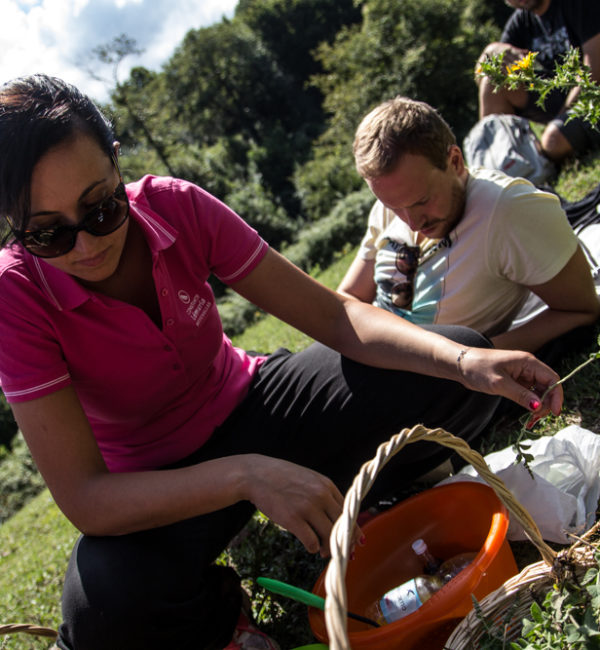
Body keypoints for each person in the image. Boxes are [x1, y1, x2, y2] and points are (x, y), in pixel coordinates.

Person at [0, 75, 563, 650]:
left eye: (101, 207)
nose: (87, 246)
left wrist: (466, 359)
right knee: (101, 609)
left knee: (445, 370)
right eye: (48, 234)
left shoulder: (175, 206)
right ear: (16, 228)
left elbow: (335, 317)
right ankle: (224, 618)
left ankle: (360, 498)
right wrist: (245, 474)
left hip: (251, 401)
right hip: (155, 481)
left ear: (117, 163)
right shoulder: (14, 295)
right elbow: (87, 498)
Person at [338, 96, 600, 354]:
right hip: (374, 357)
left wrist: (471, 362)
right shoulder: (391, 203)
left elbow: (580, 310)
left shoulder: (509, 211)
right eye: (393, 207)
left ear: (454, 161)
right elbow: (350, 298)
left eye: (422, 201)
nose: (412, 223)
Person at [476, 0, 600, 162]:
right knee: (492, 82)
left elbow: (594, 70)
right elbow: (481, 78)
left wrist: (562, 117)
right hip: (560, 93)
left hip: (592, 95)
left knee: (552, 141)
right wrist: (491, 51)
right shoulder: (521, 21)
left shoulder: (578, 4)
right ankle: (500, 165)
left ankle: (539, 161)